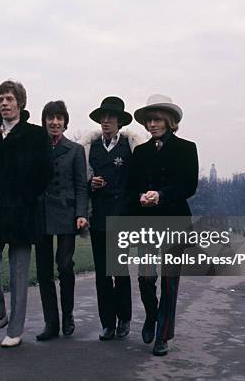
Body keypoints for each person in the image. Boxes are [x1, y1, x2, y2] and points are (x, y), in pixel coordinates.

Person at [0, 80, 53, 347]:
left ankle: (15, 330)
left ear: (20, 102)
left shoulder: (35, 135)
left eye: (9, 99)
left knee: (19, 274)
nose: (4, 103)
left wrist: (23, 197)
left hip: (22, 214)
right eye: (0, 99)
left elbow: (45, 173)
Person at [128, 94, 198, 356]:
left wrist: (161, 195)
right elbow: (133, 185)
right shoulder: (141, 152)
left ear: (169, 121)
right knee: (146, 277)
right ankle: (151, 315)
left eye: (157, 119)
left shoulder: (187, 148)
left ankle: (163, 335)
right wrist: (140, 196)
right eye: (149, 120)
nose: (152, 124)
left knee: (169, 281)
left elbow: (189, 186)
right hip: (146, 222)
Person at [84, 96, 139, 341]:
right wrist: (90, 184)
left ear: (119, 121)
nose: (106, 121)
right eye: (103, 117)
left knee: (119, 271)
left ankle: (124, 319)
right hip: (98, 217)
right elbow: (82, 180)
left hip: (121, 217)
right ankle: (107, 323)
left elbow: (135, 183)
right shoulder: (91, 149)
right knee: (102, 274)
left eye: (111, 117)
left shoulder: (129, 147)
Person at [35, 101, 88, 341]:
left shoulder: (76, 150)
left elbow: (80, 185)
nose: (54, 122)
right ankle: (51, 322)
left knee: (65, 265)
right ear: (44, 120)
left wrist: (81, 214)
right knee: (44, 271)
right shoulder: (36, 146)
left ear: (65, 122)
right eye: (50, 118)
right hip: (41, 214)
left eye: (59, 118)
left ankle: (68, 315)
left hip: (67, 214)